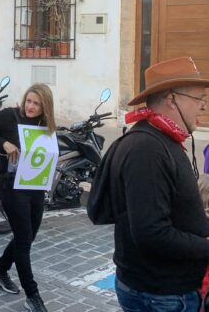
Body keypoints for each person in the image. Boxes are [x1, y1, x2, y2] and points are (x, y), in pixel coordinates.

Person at [94, 57, 209, 312]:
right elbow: (151, 233)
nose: (203, 106)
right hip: (161, 295)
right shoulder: (146, 150)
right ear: (172, 99)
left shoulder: (162, 137)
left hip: (167, 291)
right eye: (199, 98)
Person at [0, 83, 56, 312]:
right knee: (23, 239)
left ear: (45, 106)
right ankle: (33, 295)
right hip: (10, 185)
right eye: (28, 101)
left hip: (35, 185)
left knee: (29, 235)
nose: (30, 106)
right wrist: (3, 143)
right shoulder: (10, 116)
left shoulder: (45, 125)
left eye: (36, 103)